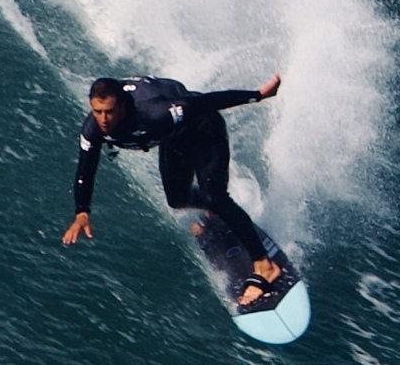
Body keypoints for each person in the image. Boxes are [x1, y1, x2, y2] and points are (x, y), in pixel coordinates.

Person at [62, 72, 286, 305]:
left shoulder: (155, 113)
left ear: (122, 106)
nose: (104, 119)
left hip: (204, 127)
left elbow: (205, 103)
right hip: (174, 137)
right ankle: (214, 212)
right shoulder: (93, 129)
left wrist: (258, 95)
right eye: (98, 111)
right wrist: (82, 211)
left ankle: (264, 265)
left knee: (215, 197)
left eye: (109, 111)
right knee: (178, 199)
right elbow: (85, 171)